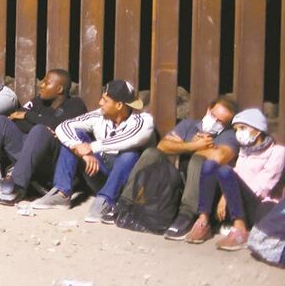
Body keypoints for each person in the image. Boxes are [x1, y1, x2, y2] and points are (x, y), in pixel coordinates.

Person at [31, 80, 154, 222]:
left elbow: (129, 139)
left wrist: (91, 147)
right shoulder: (99, 115)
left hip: (126, 186)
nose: (100, 103)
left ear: (119, 105)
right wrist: (80, 149)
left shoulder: (143, 121)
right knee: (74, 138)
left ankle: (107, 201)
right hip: (100, 174)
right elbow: (64, 126)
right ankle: (62, 194)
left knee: (129, 154)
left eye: (105, 100)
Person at [124, 97, 239, 240]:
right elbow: (163, 146)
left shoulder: (229, 136)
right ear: (209, 109)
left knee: (198, 160)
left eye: (220, 121)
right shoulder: (189, 125)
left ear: (227, 124)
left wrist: (188, 148)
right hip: (181, 182)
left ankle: (187, 215)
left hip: (206, 192)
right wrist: (193, 145)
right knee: (151, 153)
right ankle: (125, 202)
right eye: (213, 116)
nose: (214, 122)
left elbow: (220, 156)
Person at [0, 69, 85, 197]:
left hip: (51, 161)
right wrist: (41, 122)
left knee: (39, 131)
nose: (41, 85)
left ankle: (18, 185)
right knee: (0, 121)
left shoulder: (76, 105)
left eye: (46, 83)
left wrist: (28, 116)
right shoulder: (38, 101)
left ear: (59, 89)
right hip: (27, 152)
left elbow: (59, 127)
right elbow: (15, 120)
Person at [188, 108, 284, 249]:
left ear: (258, 130)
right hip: (238, 202)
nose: (239, 133)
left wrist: (228, 194)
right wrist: (226, 195)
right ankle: (203, 221)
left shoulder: (278, 152)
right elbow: (237, 174)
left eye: (243, 128)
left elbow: (262, 187)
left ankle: (240, 229)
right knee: (210, 165)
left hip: (260, 203)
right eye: (236, 129)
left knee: (225, 171)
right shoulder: (244, 150)